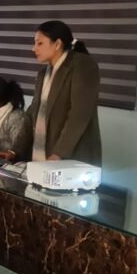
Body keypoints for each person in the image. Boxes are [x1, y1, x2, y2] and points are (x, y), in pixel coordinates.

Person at [26, 20, 101, 165]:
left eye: (39, 43)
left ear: (57, 44)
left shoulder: (82, 65)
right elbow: (33, 113)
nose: (34, 48)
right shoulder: (43, 74)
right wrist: (13, 150)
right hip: (41, 155)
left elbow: (79, 115)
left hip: (72, 158)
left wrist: (59, 154)